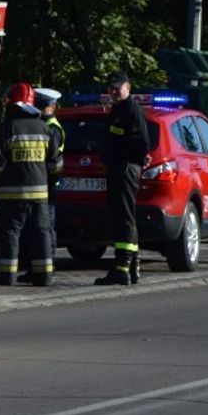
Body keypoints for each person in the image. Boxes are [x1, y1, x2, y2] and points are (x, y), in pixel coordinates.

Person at [0, 82, 54, 287]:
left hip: (10, 196)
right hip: (40, 196)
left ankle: (7, 276)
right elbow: (56, 165)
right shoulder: (44, 128)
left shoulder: (7, 128)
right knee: (41, 233)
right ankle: (44, 276)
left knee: (9, 234)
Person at [95, 72, 151, 285]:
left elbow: (142, 142)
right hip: (119, 167)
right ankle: (132, 267)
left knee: (123, 217)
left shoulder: (131, 110)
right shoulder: (118, 109)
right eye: (110, 88)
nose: (113, 91)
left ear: (128, 87)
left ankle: (121, 268)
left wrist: (129, 160)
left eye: (117, 87)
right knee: (123, 216)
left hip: (126, 168)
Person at [18, 87, 64, 282]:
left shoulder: (52, 128)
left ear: (51, 107)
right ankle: (35, 267)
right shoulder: (42, 125)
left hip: (48, 185)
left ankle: (48, 266)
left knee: (46, 229)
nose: (38, 109)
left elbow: (51, 160)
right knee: (36, 229)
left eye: (41, 106)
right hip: (40, 184)